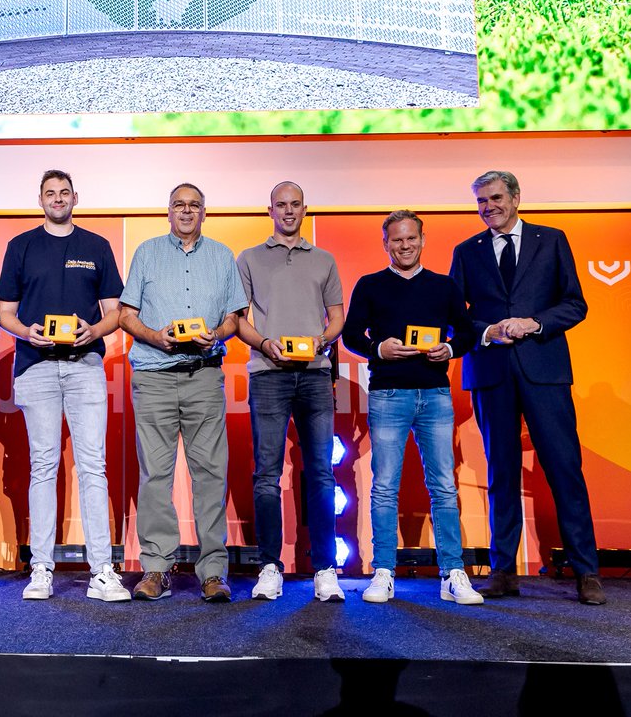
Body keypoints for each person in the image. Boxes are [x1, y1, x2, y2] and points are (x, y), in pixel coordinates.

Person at [448, 171, 605, 605]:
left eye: (495, 198)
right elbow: (454, 319)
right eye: (480, 201)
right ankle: (502, 571)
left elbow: (575, 304)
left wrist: (536, 323)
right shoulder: (466, 251)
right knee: (501, 472)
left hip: (545, 371)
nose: (488, 207)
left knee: (564, 470)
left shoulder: (551, 240)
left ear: (516, 197)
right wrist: (487, 331)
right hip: (491, 373)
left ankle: (586, 572)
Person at [0, 170, 130, 602]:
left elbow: (115, 312)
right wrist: (26, 333)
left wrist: (93, 332)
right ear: (41, 199)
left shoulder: (97, 246)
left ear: (76, 197)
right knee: (44, 467)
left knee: (93, 466)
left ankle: (102, 571)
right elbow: (6, 313)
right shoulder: (21, 246)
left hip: (84, 365)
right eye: (50, 193)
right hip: (35, 366)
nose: (58, 198)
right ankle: (41, 568)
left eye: (64, 192)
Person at [342, 210, 484, 605]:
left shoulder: (444, 286)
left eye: (411, 239)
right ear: (385, 243)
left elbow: (468, 331)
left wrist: (451, 348)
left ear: (423, 240)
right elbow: (352, 334)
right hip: (388, 394)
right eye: (396, 240)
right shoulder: (370, 285)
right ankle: (383, 571)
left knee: (442, 485)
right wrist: (378, 348)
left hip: (435, 394)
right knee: (384, 487)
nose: (404, 246)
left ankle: (452, 572)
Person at [119, 183, 248, 602]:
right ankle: (156, 568)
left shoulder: (222, 256)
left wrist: (217, 335)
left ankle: (212, 572)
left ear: (204, 213)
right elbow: (125, 315)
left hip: (204, 375)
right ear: (168, 211)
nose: (187, 211)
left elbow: (233, 317)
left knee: (210, 474)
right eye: (179, 205)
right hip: (155, 377)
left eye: (194, 205)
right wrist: (155, 337)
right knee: (155, 475)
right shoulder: (147, 253)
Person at [234, 181, 346, 602]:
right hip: (268, 373)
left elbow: (337, 318)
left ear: (304, 208)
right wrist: (264, 344)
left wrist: (322, 341)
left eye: (295, 204)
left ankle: (324, 569)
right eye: (280, 205)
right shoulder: (248, 259)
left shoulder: (324, 260)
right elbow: (238, 319)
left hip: (316, 374)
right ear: (270, 210)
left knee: (320, 472)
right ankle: (269, 567)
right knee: (267, 474)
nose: (288, 211)